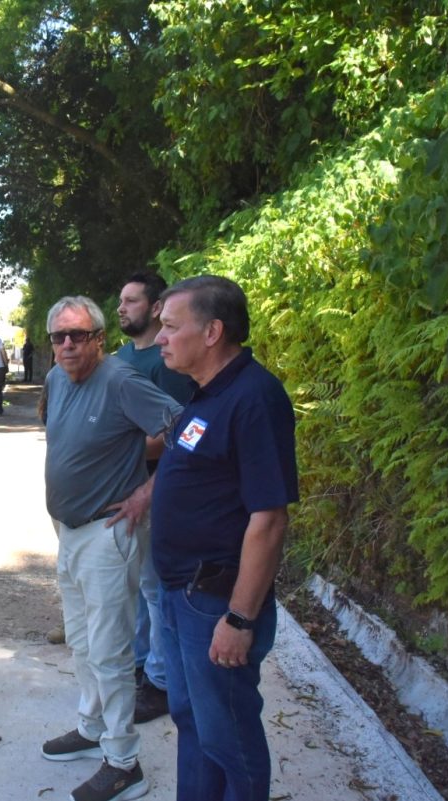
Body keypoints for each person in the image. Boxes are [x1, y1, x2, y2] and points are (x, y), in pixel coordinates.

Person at [151, 275, 298, 801]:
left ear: (211, 331)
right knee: (193, 722)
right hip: (180, 593)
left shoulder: (254, 398)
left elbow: (269, 520)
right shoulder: (208, 395)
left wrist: (239, 619)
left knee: (228, 735)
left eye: (170, 326)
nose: (160, 336)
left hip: (215, 600)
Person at [40, 295, 181, 801]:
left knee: (110, 650)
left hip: (108, 533)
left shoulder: (120, 379)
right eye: (59, 336)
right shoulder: (57, 378)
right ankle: (91, 726)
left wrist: (147, 490)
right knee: (81, 641)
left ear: (100, 338)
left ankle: (124, 762)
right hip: (69, 531)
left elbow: (184, 431)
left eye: (79, 335)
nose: (68, 344)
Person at [115, 272, 197, 725]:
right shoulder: (123, 357)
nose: (122, 309)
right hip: (123, 489)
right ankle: (141, 664)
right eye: (121, 302)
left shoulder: (169, 363)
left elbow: (178, 432)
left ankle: (160, 682)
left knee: (154, 587)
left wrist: (113, 446)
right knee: (137, 587)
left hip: (157, 487)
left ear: (155, 306)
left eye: (131, 301)